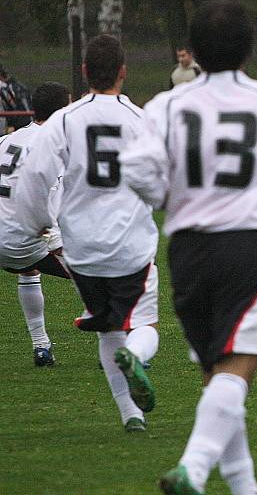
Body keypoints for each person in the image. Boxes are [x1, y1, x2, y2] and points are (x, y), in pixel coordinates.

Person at [120, 0, 257, 495]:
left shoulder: (167, 104)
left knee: (215, 372)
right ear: (248, 49)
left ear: (192, 52)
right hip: (248, 246)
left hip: (188, 248)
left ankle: (244, 487)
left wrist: (168, 197)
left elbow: (135, 168)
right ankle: (193, 468)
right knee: (237, 367)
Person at [16, 35, 160, 433]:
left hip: (81, 249)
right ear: (123, 71)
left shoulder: (63, 119)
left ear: (83, 73)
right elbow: (159, 181)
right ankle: (136, 355)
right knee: (144, 324)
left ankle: (131, 415)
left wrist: (35, 224)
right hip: (131, 242)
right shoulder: (140, 118)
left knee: (107, 324)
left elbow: (34, 178)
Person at [0, 82, 71, 366]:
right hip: (26, 241)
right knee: (93, 273)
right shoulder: (54, 148)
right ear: (62, 111)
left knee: (28, 270)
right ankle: (115, 345)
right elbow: (53, 209)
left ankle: (42, 346)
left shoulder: (7, 140)